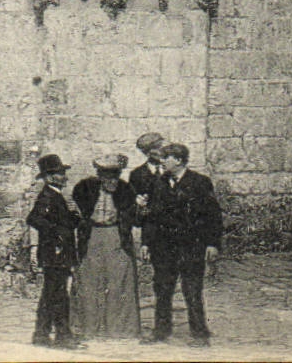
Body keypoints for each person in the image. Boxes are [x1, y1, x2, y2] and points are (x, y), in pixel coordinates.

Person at [141, 142, 222, 347]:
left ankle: (200, 334)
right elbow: (150, 217)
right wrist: (146, 243)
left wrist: (212, 244)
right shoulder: (158, 183)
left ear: (178, 160)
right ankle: (161, 330)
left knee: (192, 290)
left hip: (191, 247)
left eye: (165, 158)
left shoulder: (200, 182)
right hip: (163, 248)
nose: (161, 161)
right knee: (162, 289)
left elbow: (213, 215)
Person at [70, 154, 142, 339]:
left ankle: (119, 329)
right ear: (99, 174)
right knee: (88, 281)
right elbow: (76, 213)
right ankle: (88, 328)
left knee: (119, 281)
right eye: (107, 175)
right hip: (91, 236)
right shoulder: (84, 187)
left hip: (116, 235)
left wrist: (139, 208)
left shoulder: (126, 190)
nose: (112, 180)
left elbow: (135, 218)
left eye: (115, 175)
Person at [26, 154, 84, 349]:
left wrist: (74, 215)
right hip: (55, 253)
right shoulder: (48, 196)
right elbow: (34, 219)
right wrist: (56, 235)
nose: (64, 177)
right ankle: (60, 336)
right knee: (57, 295)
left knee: (52, 294)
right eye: (60, 173)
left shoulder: (56, 195)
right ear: (49, 177)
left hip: (59, 253)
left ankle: (44, 334)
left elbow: (66, 224)